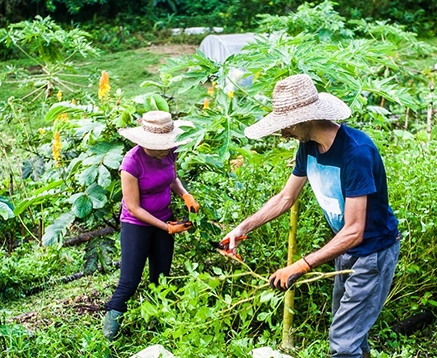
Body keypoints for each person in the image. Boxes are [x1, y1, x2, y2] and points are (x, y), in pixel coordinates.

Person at [221, 74, 401, 358]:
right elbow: (285, 197)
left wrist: (299, 266)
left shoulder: (356, 152)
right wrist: (242, 228)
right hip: (346, 249)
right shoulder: (308, 146)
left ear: (306, 120)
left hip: (372, 253)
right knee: (352, 335)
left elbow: (355, 229)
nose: (283, 134)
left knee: (342, 343)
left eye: (286, 126)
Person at [102, 110, 200, 340]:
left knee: (161, 277)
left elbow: (172, 178)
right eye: (160, 146)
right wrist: (165, 227)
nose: (165, 150)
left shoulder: (169, 153)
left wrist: (185, 195)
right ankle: (107, 338)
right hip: (137, 224)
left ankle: (160, 327)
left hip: (165, 217)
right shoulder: (131, 163)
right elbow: (134, 207)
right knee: (129, 282)